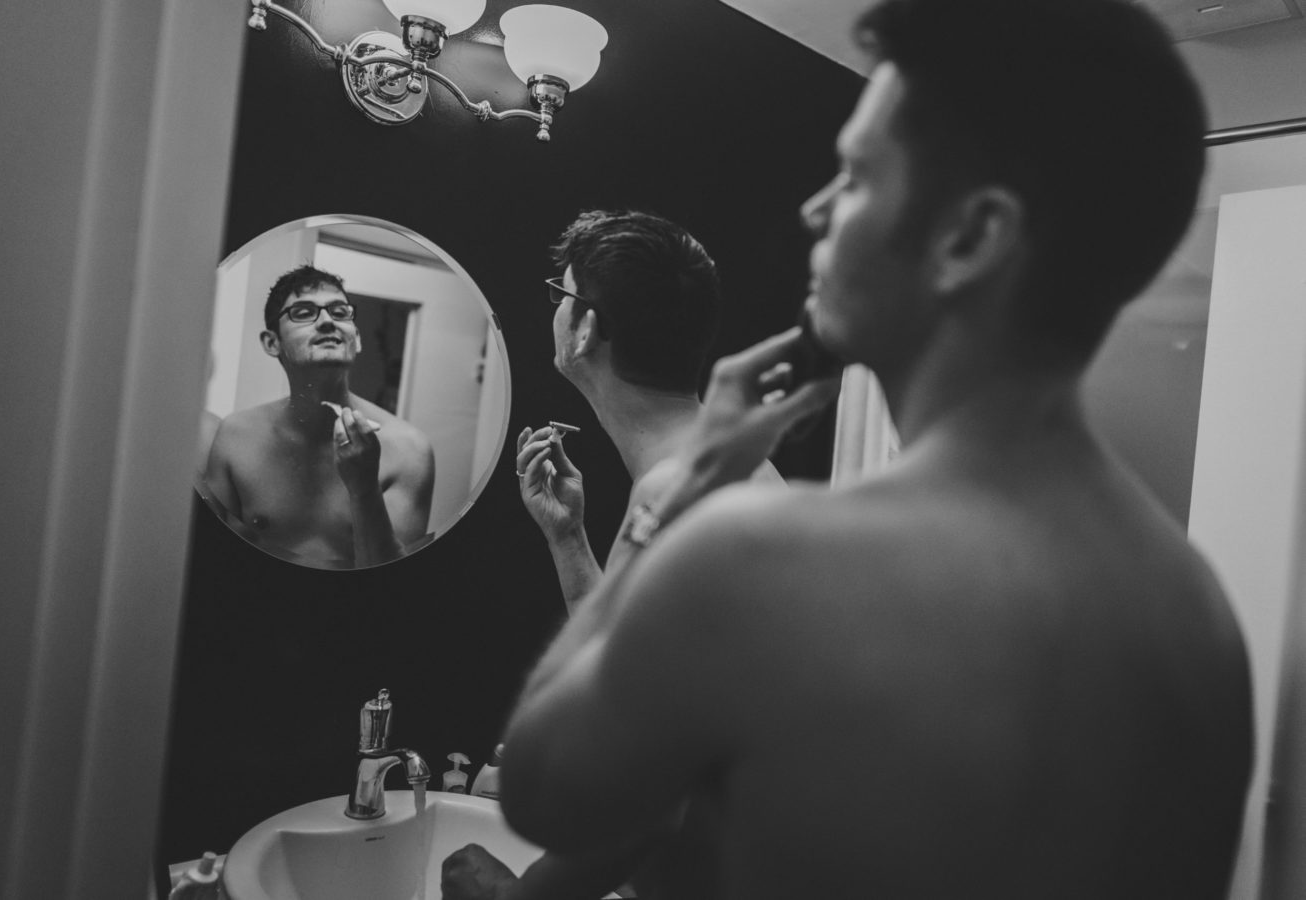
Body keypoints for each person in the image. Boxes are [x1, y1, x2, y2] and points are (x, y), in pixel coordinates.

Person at [452, 1, 1255, 898]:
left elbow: (544, 793)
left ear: (970, 239)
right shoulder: (1198, 615)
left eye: (858, 177)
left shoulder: (767, 553)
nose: (816, 209)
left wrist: (666, 503)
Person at [515, 210, 783, 615]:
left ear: (586, 330)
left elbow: (602, 657)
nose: (555, 309)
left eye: (563, 295)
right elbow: (614, 635)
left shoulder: (670, 493)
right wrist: (567, 537)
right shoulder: (727, 462)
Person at [201, 265, 434, 569]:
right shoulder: (236, 437)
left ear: (357, 339)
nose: (327, 321)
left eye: (339, 312)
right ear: (272, 343)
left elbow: (391, 583)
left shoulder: (409, 450)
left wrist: (364, 487)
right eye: (303, 313)